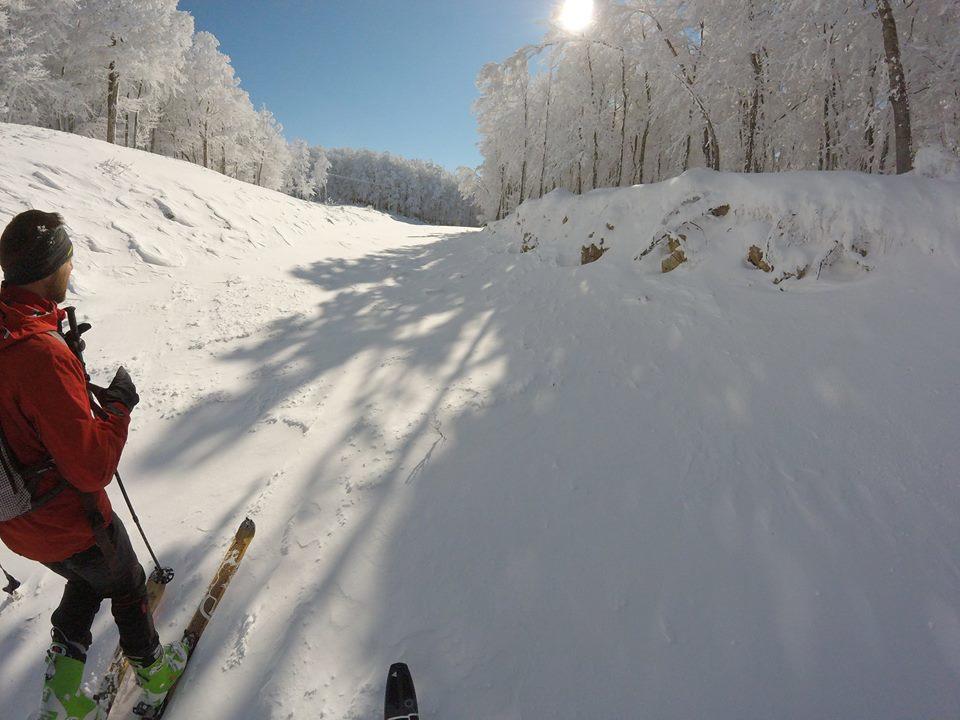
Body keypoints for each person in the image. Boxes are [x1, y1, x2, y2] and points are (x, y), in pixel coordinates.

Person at [0, 210, 186, 720]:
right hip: (71, 518)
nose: (71, 267)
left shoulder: (14, 328)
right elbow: (91, 468)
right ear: (50, 266)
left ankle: (61, 698)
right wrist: (120, 408)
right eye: (67, 258)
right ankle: (155, 674)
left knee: (86, 579)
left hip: (16, 521)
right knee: (124, 581)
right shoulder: (37, 351)